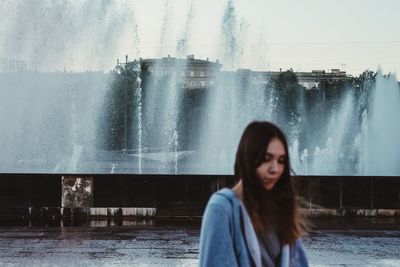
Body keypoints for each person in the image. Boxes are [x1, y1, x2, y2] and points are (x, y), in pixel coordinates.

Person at [199, 121, 309, 267]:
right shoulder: (222, 207)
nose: (275, 169)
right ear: (248, 158)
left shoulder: (280, 209)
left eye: (281, 161)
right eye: (266, 159)